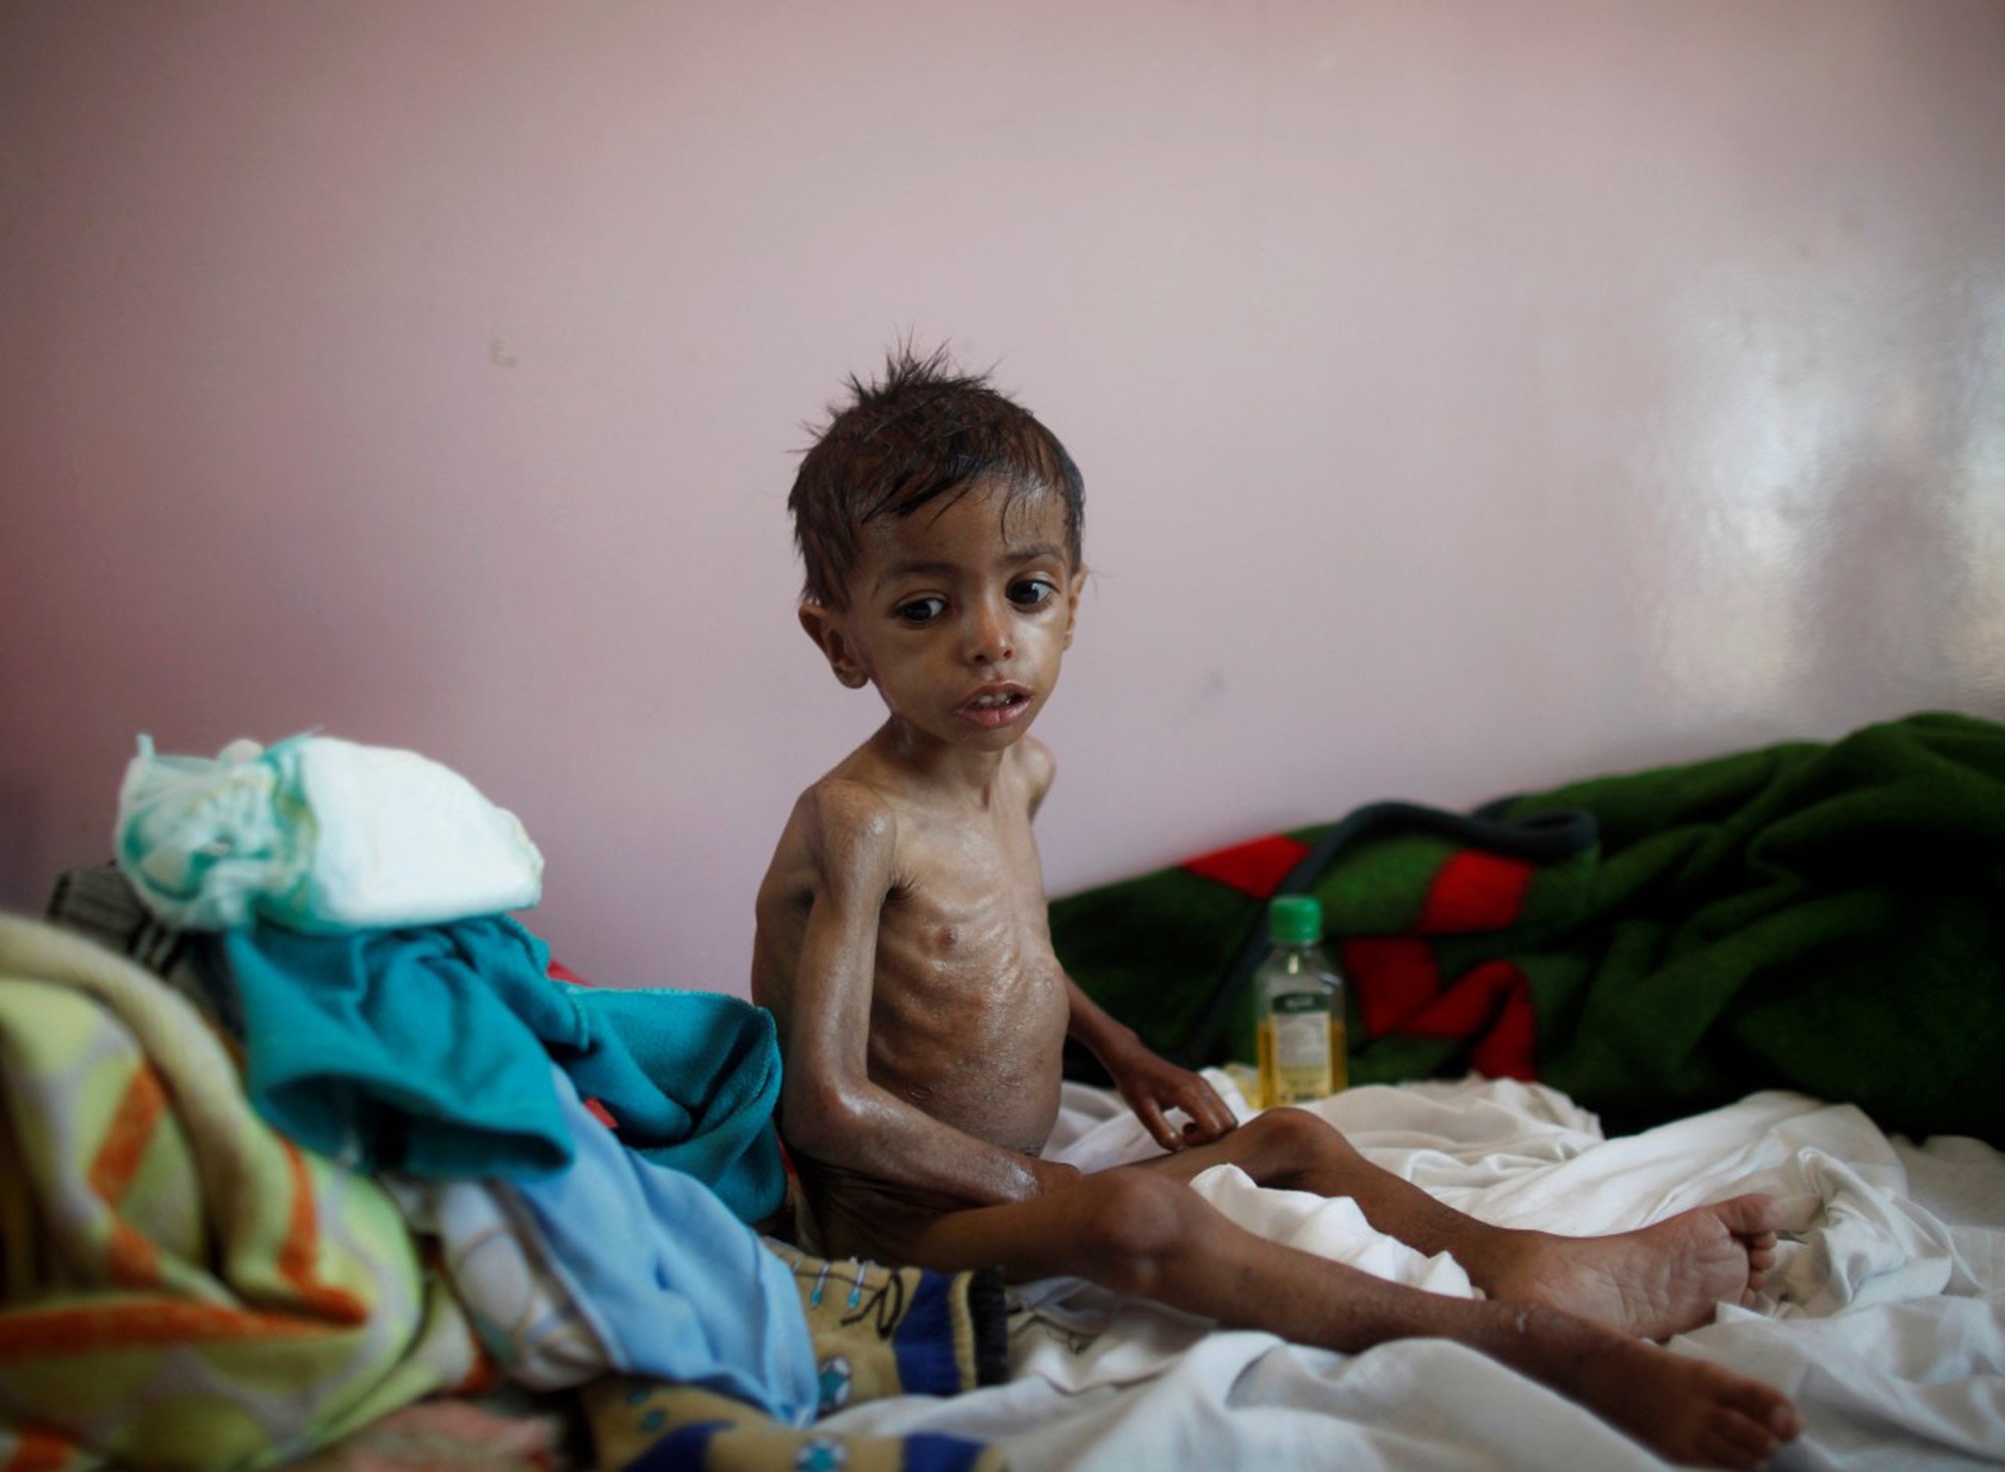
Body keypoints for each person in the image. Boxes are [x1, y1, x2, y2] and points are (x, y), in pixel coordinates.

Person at [751, 347, 1801, 1470]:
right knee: (1132, 1220)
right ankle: (1527, 1345)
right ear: (838, 640)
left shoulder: (1021, 774)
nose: (989, 638)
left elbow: (1006, 954)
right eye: (922, 606)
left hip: (1017, 1182)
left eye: (1027, 591)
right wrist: (1037, 1183)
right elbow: (824, 1107)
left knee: (1293, 1134)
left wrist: (1128, 1050)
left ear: (1073, 600)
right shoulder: (859, 820)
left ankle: (1521, 1259)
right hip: (903, 1223)